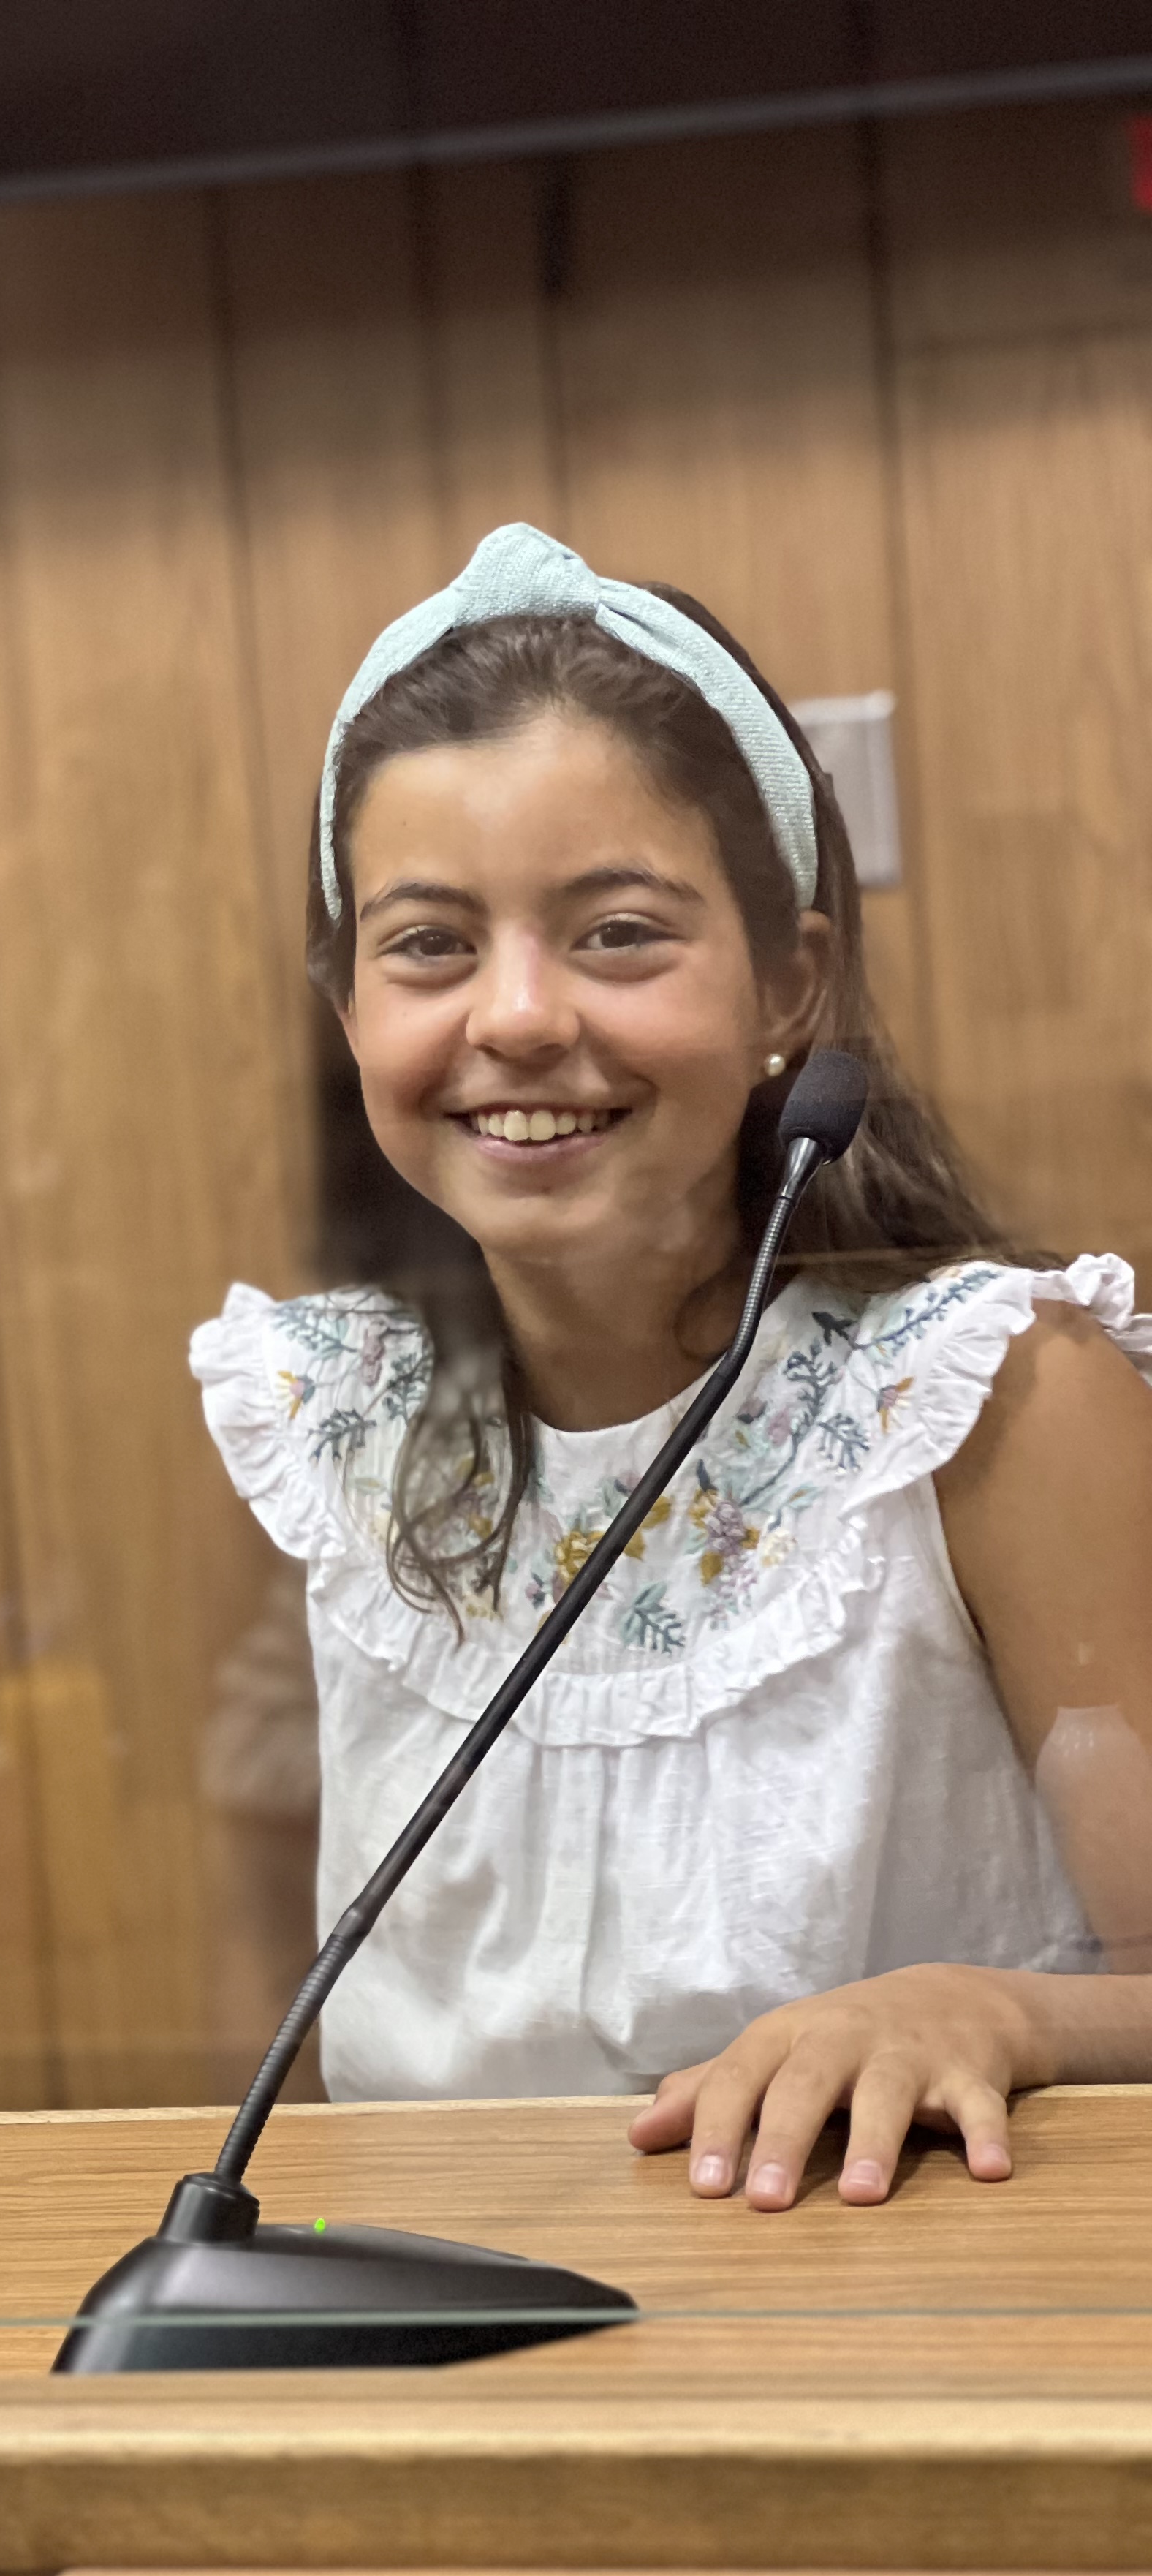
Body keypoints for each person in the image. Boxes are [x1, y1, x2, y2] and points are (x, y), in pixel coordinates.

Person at [194, 522, 1152, 2212]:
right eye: (428, 945)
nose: (516, 1016)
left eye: (618, 933)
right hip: (435, 2379)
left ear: (793, 976)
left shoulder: (1000, 1401)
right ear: (348, 1011)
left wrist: (987, 2007)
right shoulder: (328, 1419)